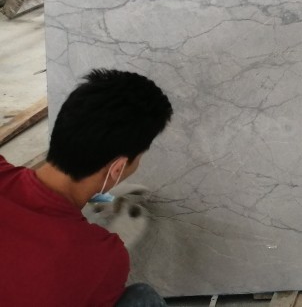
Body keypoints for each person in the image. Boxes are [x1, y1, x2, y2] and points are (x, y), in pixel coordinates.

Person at [0, 68, 173, 306]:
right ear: (117, 168)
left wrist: (102, 198)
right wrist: (107, 246)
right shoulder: (102, 259)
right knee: (141, 297)